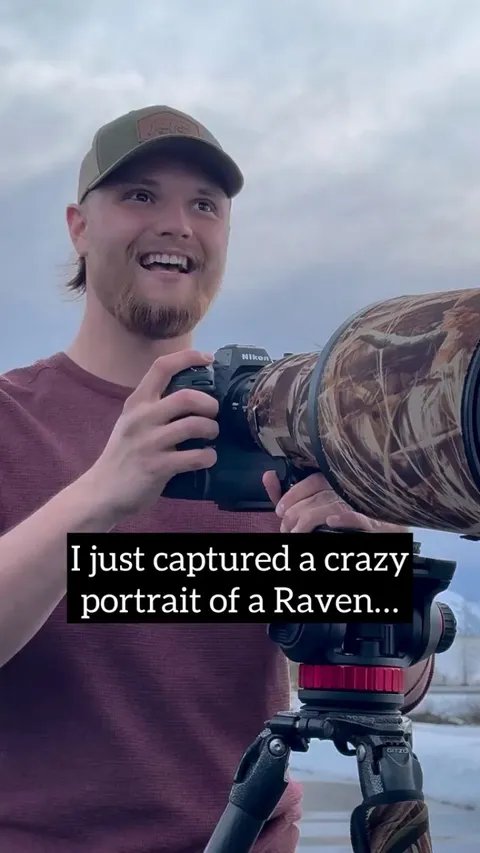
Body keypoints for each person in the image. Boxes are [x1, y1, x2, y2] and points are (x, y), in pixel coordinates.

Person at [0, 105, 434, 853]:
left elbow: (394, 678)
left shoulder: (285, 434)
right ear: (78, 225)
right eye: (140, 195)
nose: (177, 223)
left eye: (205, 204)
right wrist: (99, 494)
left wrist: (381, 567)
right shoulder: (11, 420)